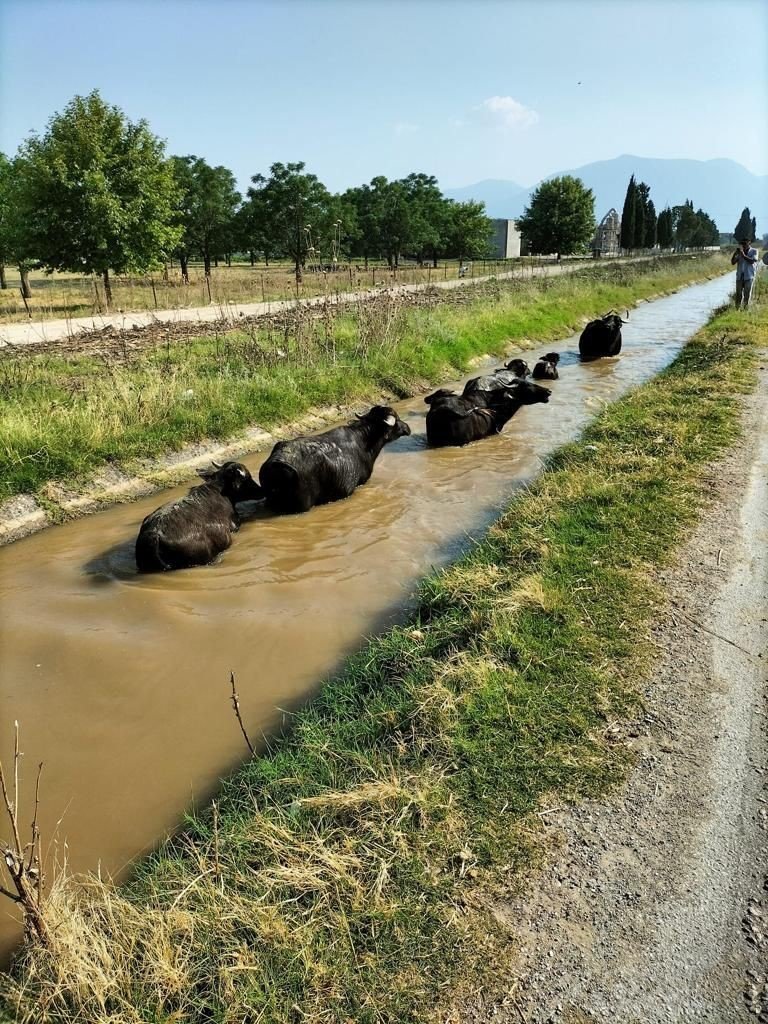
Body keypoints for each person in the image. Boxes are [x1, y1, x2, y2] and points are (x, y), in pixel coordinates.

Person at [731, 237, 759, 308]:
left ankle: (745, 309)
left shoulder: (754, 251)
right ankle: (737, 309)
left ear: (749, 242)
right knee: (738, 294)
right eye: (742, 243)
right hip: (740, 276)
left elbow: (753, 261)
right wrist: (735, 254)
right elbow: (733, 262)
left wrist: (743, 255)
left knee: (747, 294)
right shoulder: (740, 252)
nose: (743, 245)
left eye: (745, 243)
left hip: (749, 276)